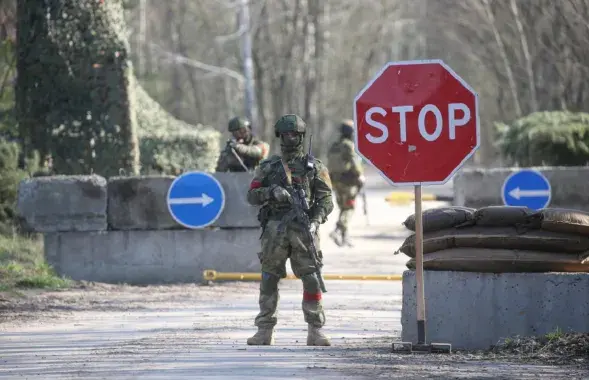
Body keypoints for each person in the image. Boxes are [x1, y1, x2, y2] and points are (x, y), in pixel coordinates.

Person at [245, 114, 334, 346]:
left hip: (304, 229)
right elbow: (251, 195)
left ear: (301, 136)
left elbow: (326, 200)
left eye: (294, 134)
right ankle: (264, 330)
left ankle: (315, 330)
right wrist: (270, 192)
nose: (290, 138)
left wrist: (316, 220)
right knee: (268, 278)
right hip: (275, 230)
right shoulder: (268, 167)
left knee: (312, 278)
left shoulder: (315, 167)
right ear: (280, 136)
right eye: (286, 134)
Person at [326, 119, 365, 247]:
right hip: (348, 182)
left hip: (336, 182)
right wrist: (360, 176)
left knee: (343, 208)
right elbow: (354, 163)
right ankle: (337, 230)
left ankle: (345, 237)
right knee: (349, 208)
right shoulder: (348, 145)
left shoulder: (333, 146)